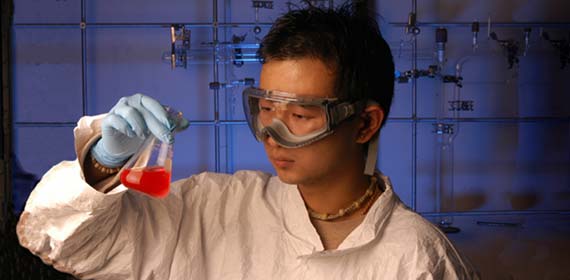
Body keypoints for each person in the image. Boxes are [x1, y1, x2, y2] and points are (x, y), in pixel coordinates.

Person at [17, 2, 479, 279]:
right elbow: (60, 242)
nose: (272, 134)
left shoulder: (417, 257)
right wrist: (102, 163)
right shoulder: (215, 207)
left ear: (364, 124)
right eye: (265, 109)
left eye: (299, 114)